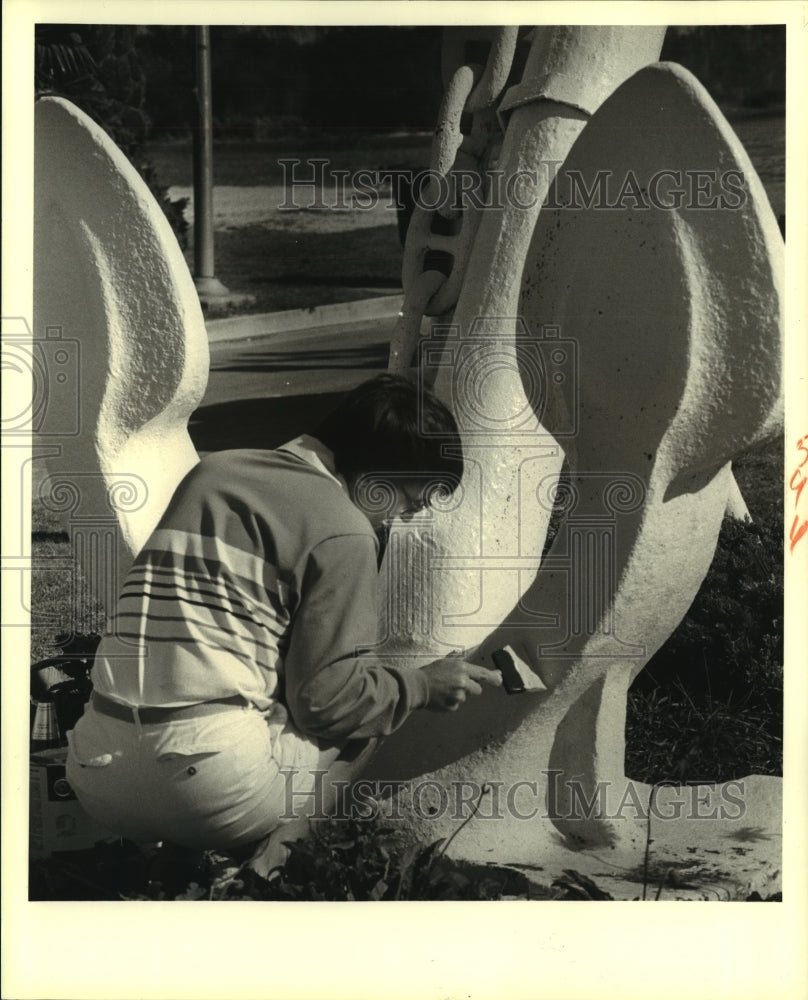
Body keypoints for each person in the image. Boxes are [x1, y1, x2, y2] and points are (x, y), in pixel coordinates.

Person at [66, 373, 501, 862]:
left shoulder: (215, 472)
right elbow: (330, 704)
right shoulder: (344, 529)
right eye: (406, 499)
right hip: (209, 790)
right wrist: (420, 687)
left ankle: (180, 860)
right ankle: (266, 872)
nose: (403, 518)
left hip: (95, 772)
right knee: (366, 716)